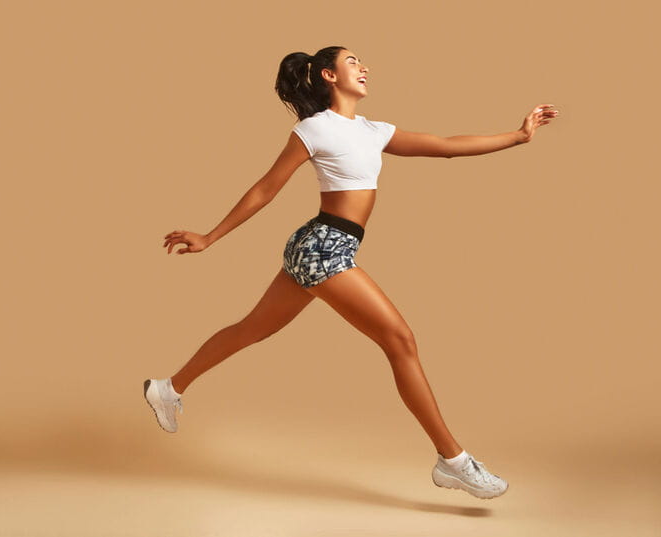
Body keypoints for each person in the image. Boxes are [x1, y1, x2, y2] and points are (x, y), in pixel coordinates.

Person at [144, 45, 559, 500]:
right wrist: (210, 236)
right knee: (399, 339)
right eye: (352, 61)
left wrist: (518, 137)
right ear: (328, 75)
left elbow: (446, 147)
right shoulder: (313, 129)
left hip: (325, 246)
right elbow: (266, 188)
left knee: (250, 330)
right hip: (323, 248)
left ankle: (168, 388)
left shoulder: (373, 130)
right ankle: (453, 460)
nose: (364, 67)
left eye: (363, 62)